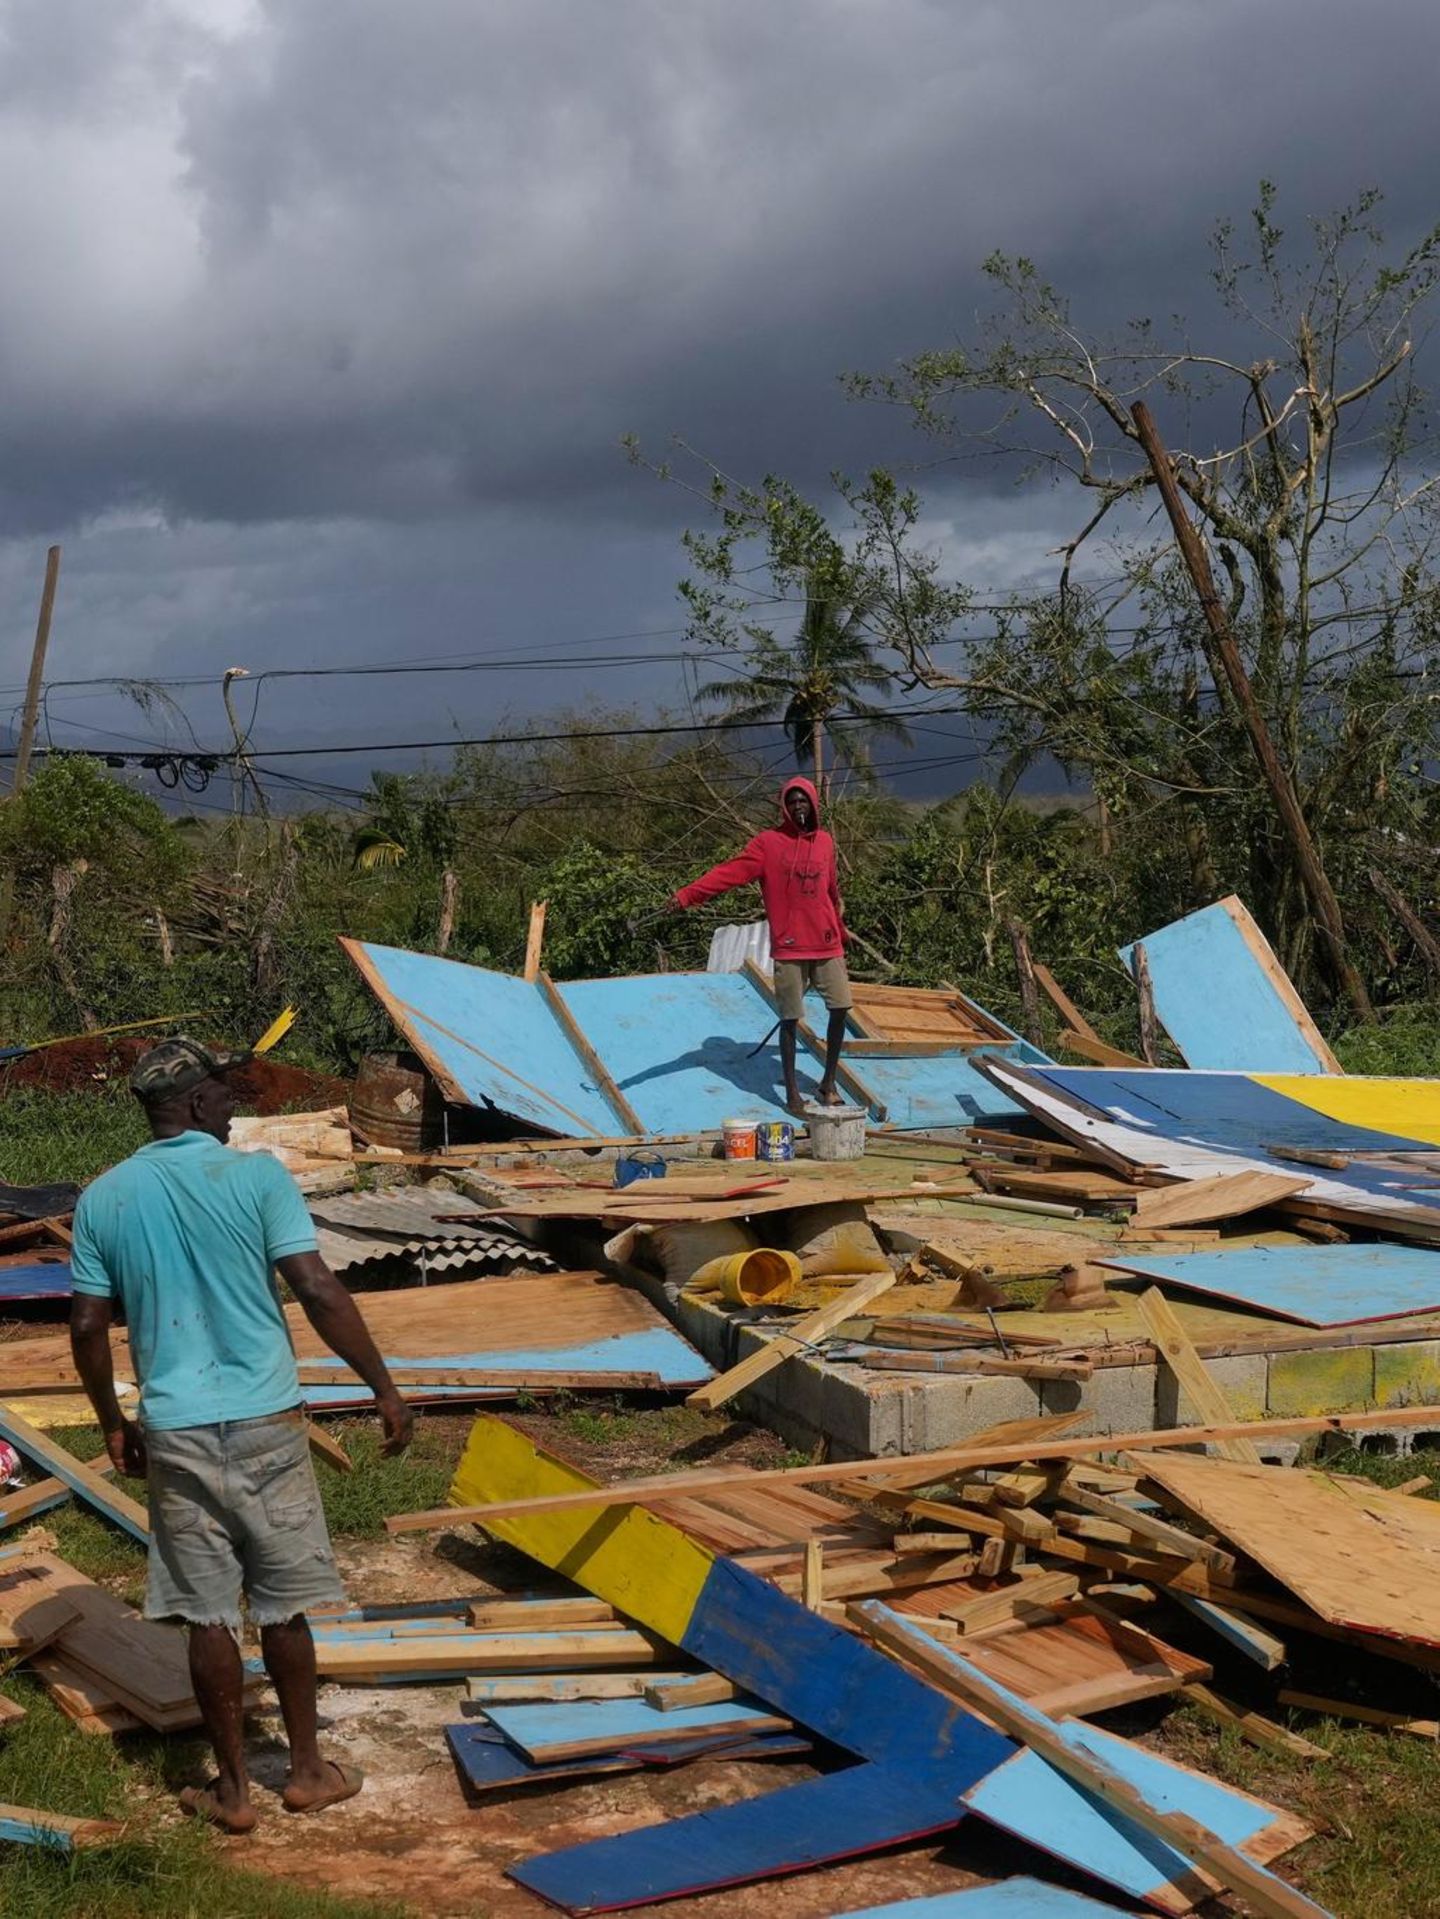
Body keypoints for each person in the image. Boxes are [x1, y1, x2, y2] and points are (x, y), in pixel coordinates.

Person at [69, 1037, 414, 1835]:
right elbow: (317, 1287)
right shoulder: (257, 1176)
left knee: (207, 1613)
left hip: (177, 1427)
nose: (233, 1103)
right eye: (222, 1092)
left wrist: (112, 1421)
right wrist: (384, 1386)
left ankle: (231, 1792)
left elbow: (88, 1324)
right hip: (266, 1420)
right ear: (192, 1103)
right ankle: (305, 1770)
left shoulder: (105, 1197)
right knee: (285, 1606)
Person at [670, 776, 852, 1115]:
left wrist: (840, 931)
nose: (799, 806)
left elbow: (832, 891)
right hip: (790, 945)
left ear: (813, 804)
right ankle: (792, 1093)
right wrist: (685, 896)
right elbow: (728, 873)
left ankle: (828, 1082)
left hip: (826, 943)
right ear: (784, 806)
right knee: (790, 1019)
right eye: (792, 801)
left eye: (804, 801)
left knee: (840, 1007)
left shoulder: (825, 842)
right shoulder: (768, 844)